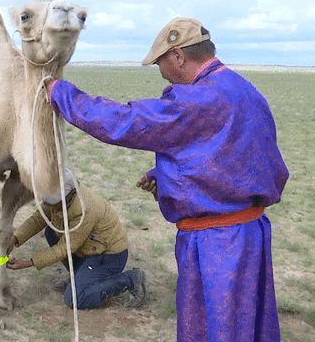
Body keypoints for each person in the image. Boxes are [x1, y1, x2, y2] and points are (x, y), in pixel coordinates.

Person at [46, 17, 289, 341]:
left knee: (219, 327)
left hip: (219, 243)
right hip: (250, 233)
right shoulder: (244, 89)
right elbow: (241, 156)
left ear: (178, 56)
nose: (161, 73)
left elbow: (126, 121)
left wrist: (60, 93)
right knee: (245, 325)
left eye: (161, 63)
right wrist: (168, 176)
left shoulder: (198, 99)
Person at [6, 169, 146, 309]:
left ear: (69, 194)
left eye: (52, 202)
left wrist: (29, 263)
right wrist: (15, 238)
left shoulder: (84, 210)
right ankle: (78, 277)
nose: (49, 205)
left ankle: (130, 279)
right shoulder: (61, 198)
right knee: (51, 232)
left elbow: (65, 248)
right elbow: (39, 218)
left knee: (76, 298)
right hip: (89, 248)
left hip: (108, 256)